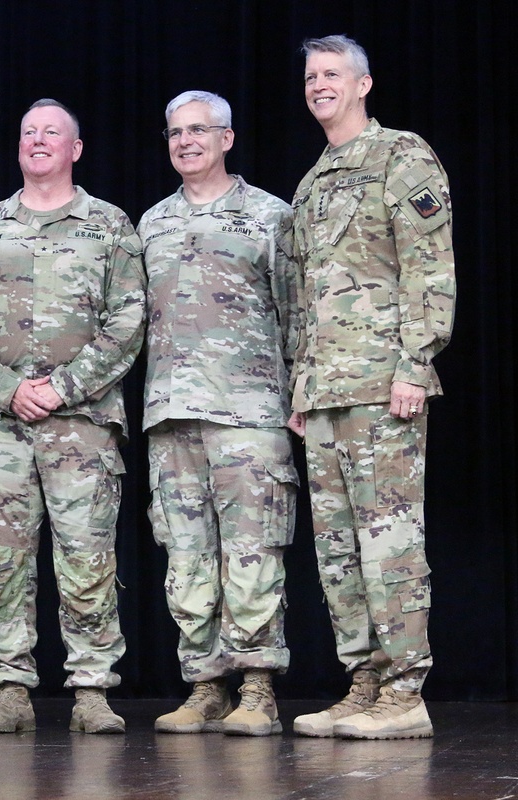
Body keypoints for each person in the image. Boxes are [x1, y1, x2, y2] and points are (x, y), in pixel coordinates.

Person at [0, 99, 146, 734]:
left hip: (82, 426)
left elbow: (128, 321)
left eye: (51, 133)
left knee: (87, 557)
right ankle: (8, 685)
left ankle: (91, 689)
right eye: (28, 132)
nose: (38, 141)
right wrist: (8, 389)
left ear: (75, 149)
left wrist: (61, 389)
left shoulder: (109, 226)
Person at [287, 35, 455, 739]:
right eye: (310, 76)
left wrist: (416, 366)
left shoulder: (400, 155)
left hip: (382, 386)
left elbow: (430, 265)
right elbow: (302, 296)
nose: (319, 85)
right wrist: (300, 384)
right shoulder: (311, 181)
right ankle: (364, 680)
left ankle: (406, 690)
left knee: (389, 542)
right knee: (338, 549)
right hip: (324, 392)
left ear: (363, 84)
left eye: (332, 74)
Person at [139, 91, 300, 737]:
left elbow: (298, 312)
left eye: (199, 130)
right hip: (170, 415)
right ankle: (205, 685)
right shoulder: (148, 224)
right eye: (175, 131)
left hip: (250, 413)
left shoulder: (270, 216)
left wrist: (300, 397)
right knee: (186, 556)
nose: (186, 141)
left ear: (227, 138)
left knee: (253, 550)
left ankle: (258, 689)